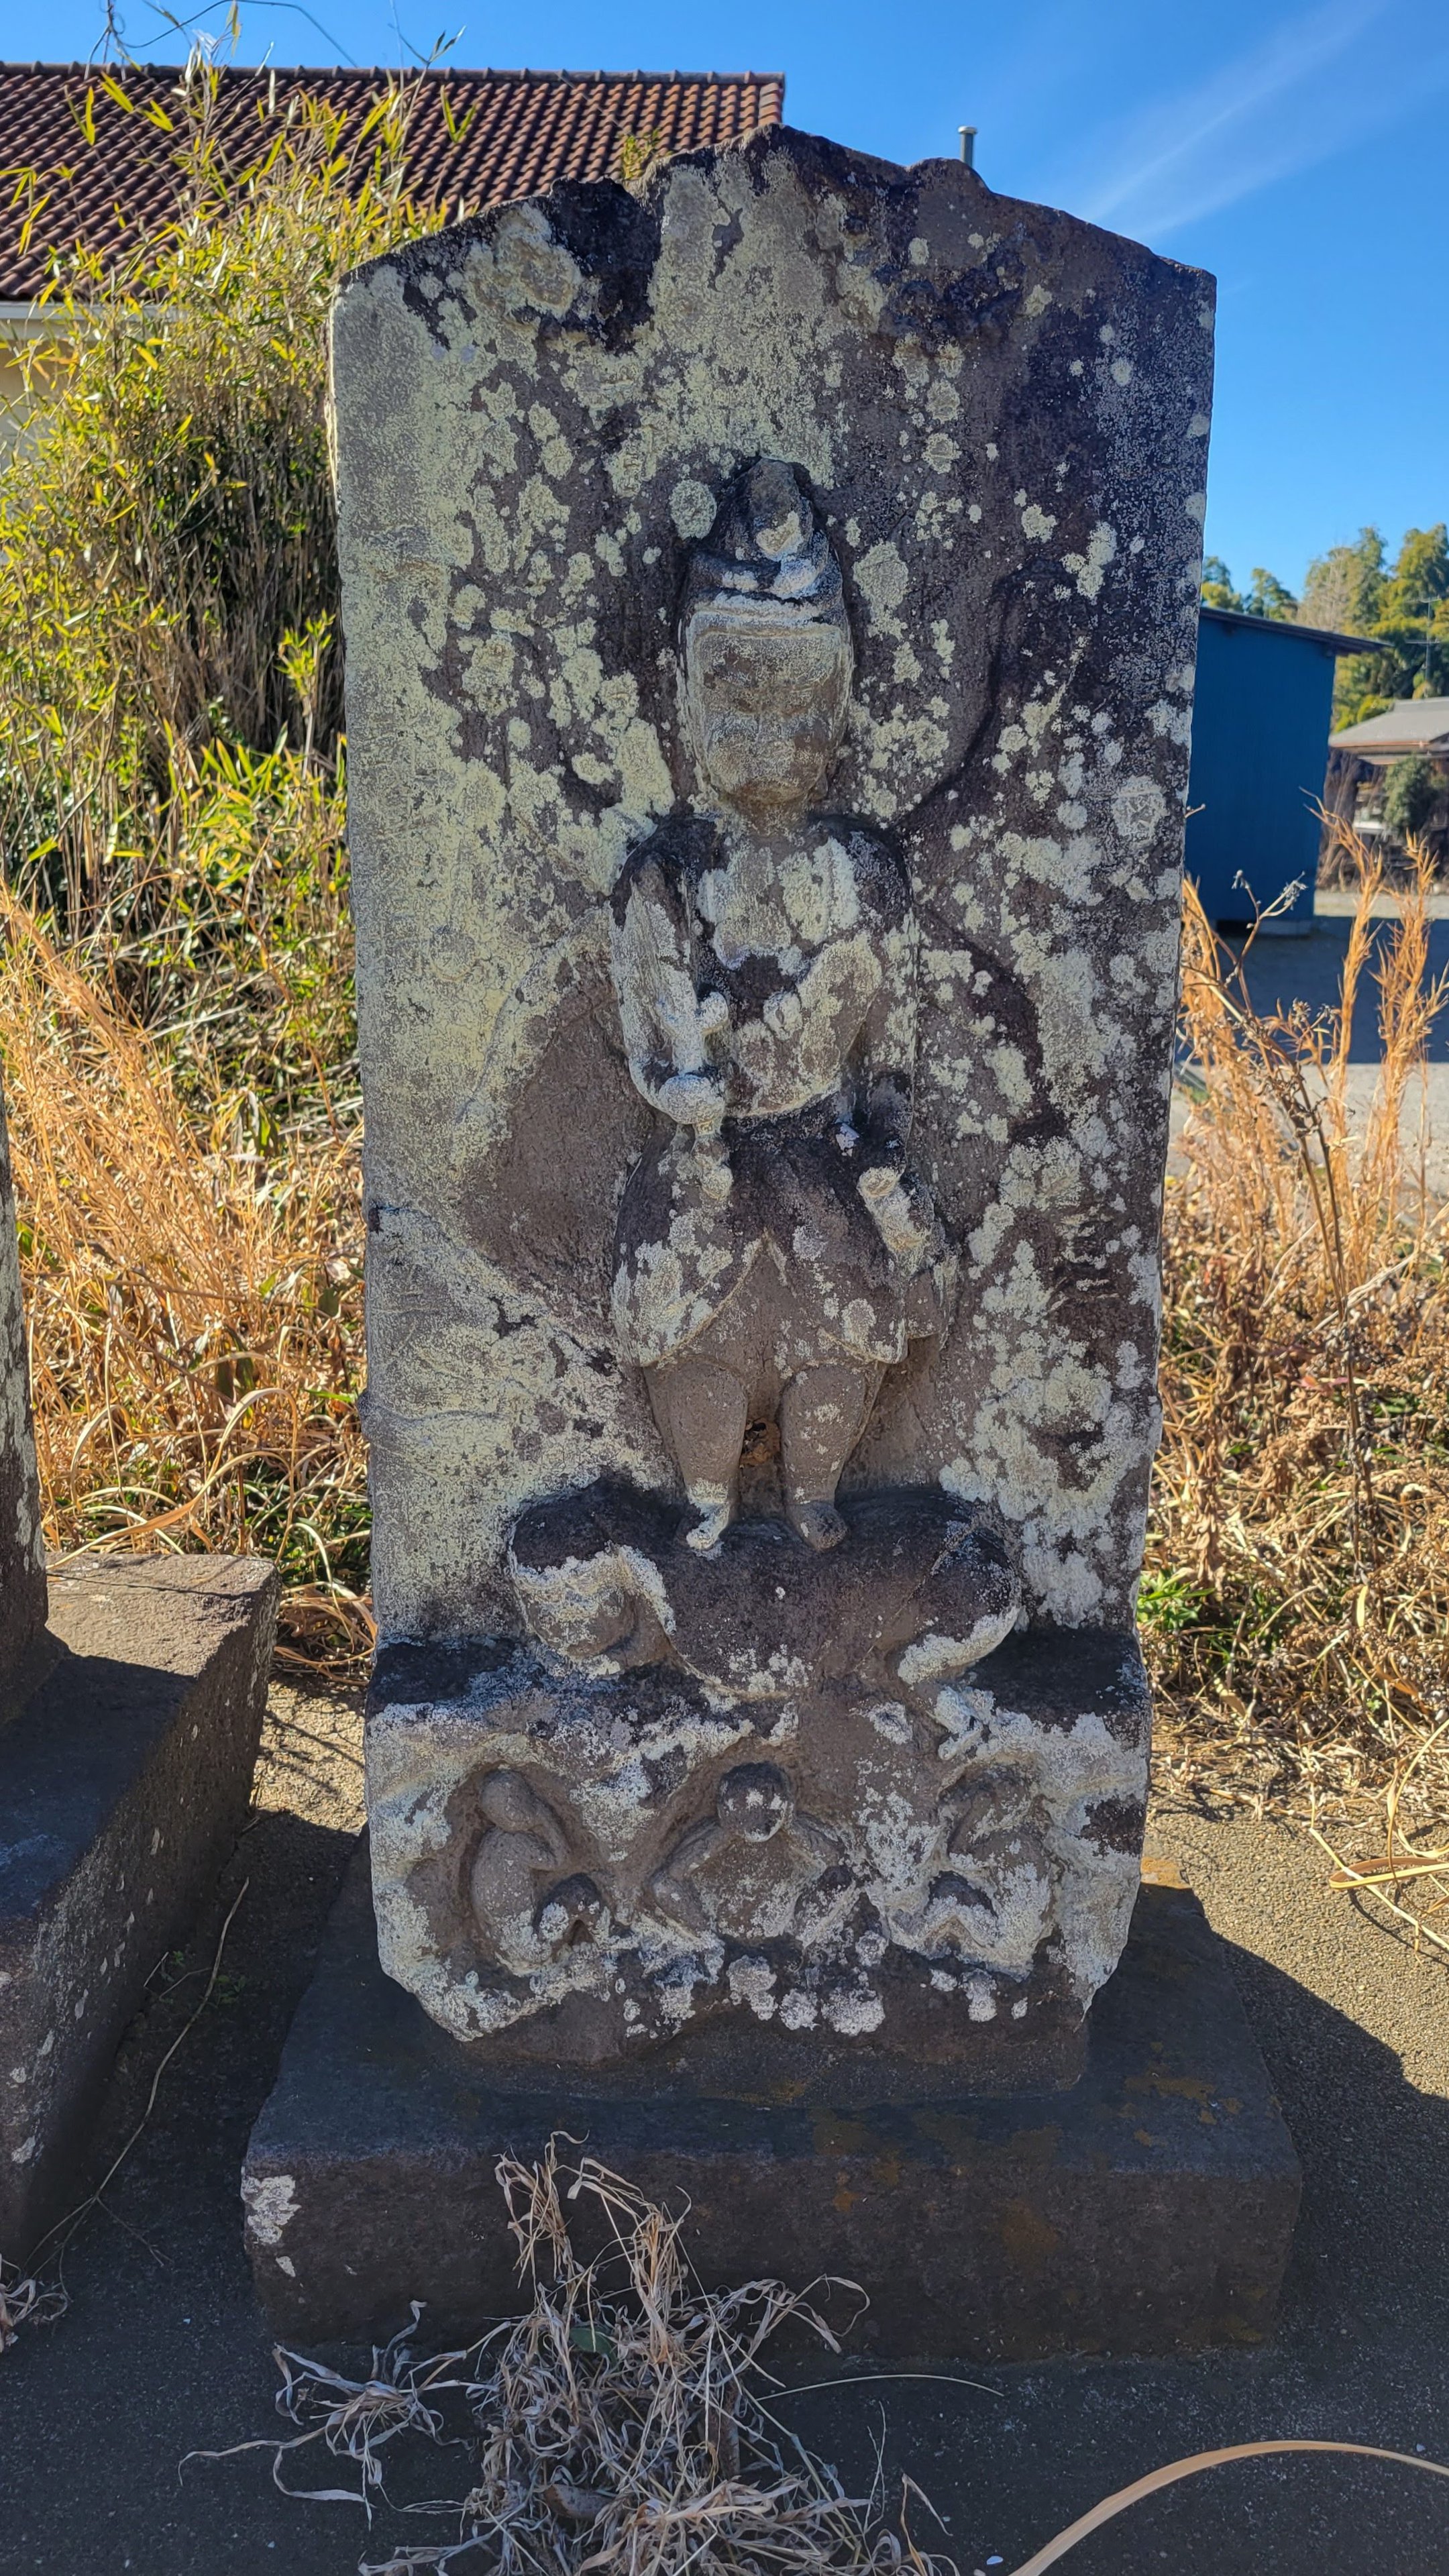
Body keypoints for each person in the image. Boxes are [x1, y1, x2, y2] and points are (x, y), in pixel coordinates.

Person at [608, 459, 955, 1554]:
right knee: (690, 1347)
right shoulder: (669, 877)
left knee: (842, 1343)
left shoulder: (867, 877)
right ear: (691, 695)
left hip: (826, 1157)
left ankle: (815, 1497)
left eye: (799, 700)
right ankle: (706, 1500)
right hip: (707, 1166)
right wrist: (681, 1091)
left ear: (839, 700)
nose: (770, 733)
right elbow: (645, 1041)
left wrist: (886, 1151)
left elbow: (890, 1057)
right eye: (740, 696)